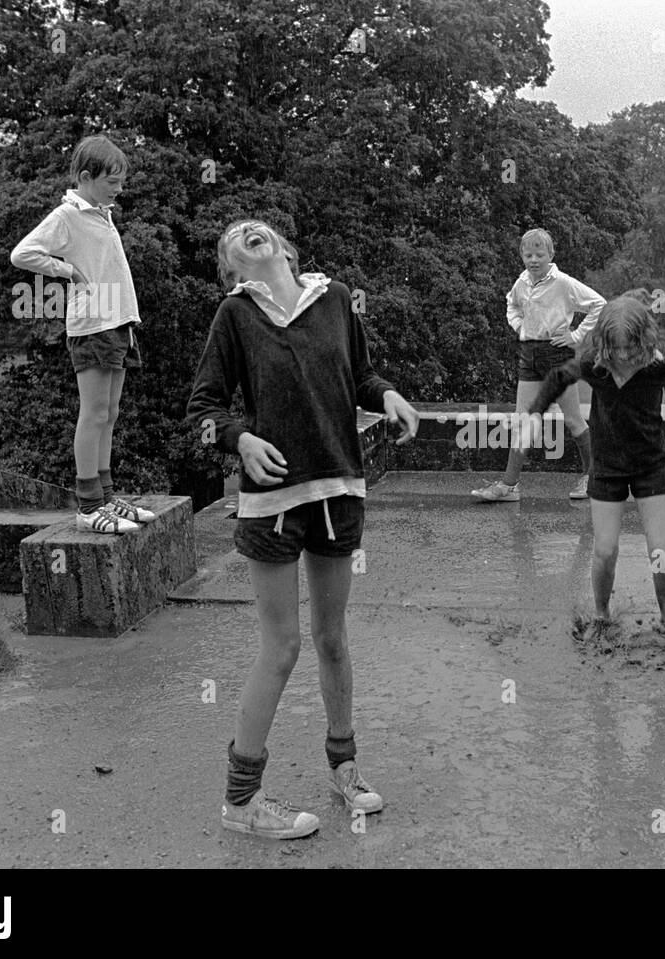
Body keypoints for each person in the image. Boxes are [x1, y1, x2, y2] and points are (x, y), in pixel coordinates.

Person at [187, 218, 420, 839]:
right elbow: (203, 412)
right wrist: (240, 439)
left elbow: (362, 377)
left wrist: (389, 395)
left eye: (256, 226)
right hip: (272, 505)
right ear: (233, 269)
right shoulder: (234, 316)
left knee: (334, 637)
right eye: (234, 235)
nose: (246, 230)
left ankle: (345, 769)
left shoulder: (336, 298)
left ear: (285, 249)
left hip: (338, 489)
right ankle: (241, 802)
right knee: (283, 646)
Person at [518, 291, 665, 633]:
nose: (621, 355)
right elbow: (559, 377)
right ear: (604, 342)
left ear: (643, 341)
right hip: (606, 466)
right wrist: (534, 415)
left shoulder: (659, 362)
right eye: (615, 348)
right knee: (604, 550)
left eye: (629, 348)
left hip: (650, 465)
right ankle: (601, 617)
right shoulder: (596, 363)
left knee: (660, 552)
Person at [10, 134, 154, 534]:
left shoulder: (101, 212)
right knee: (92, 414)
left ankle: (106, 497)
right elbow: (22, 253)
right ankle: (89, 506)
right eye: (113, 182)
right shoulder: (66, 216)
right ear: (87, 177)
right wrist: (66, 271)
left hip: (119, 321)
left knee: (110, 413)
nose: (119, 189)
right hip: (92, 324)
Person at [472, 229, 605, 502]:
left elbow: (598, 304)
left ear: (551, 255)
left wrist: (576, 336)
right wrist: (522, 327)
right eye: (528, 254)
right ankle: (509, 487)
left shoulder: (564, 283)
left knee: (572, 420)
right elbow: (512, 306)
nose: (533, 260)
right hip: (529, 356)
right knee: (522, 421)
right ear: (521, 256)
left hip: (558, 356)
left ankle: (593, 479)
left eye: (539, 254)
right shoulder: (521, 282)